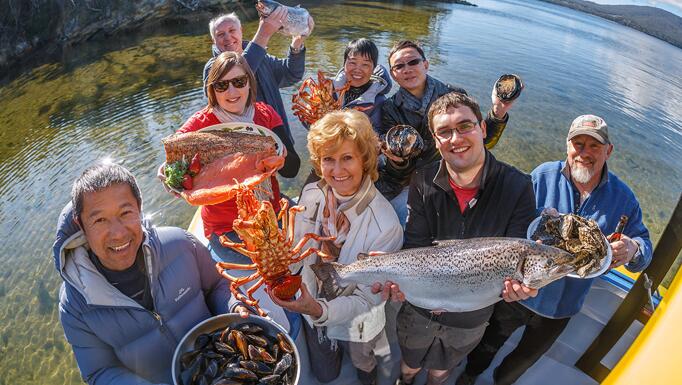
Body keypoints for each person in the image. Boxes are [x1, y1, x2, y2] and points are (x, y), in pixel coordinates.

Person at [458, 115, 653, 385]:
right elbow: (511, 220)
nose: (584, 153)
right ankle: (468, 376)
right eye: (578, 144)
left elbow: (644, 249)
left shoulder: (624, 198)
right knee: (487, 345)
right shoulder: (543, 175)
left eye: (594, 146)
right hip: (519, 292)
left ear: (609, 150)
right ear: (567, 146)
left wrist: (633, 249)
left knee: (523, 361)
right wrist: (535, 217)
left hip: (562, 307)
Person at [373, 92, 537, 385]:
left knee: (441, 369)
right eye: (444, 132)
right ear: (435, 140)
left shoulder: (519, 186)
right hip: (418, 307)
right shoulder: (423, 180)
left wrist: (519, 288)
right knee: (409, 362)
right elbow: (415, 245)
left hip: (471, 317)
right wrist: (394, 273)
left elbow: (516, 252)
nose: (455, 138)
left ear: (483, 128)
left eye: (465, 126)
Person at [53, 162, 240, 385]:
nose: (118, 233)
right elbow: (99, 371)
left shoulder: (180, 244)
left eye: (125, 212)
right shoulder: (75, 306)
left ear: (140, 208)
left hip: (227, 366)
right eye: (100, 220)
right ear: (81, 225)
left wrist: (235, 309)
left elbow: (218, 284)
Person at [269, 110, 403, 385]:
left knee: (363, 361)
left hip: (357, 321)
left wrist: (319, 309)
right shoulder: (310, 194)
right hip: (311, 308)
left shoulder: (386, 226)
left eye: (347, 158)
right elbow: (296, 253)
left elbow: (368, 301)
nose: (337, 171)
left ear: (365, 160)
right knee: (326, 374)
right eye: (328, 159)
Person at [377, 40, 519, 226]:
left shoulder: (454, 94)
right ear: (394, 75)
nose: (407, 69)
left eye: (413, 62)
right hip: (411, 183)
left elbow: (480, 142)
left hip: (453, 178)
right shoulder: (390, 108)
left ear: (425, 64)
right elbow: (399, 172)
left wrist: (498, 110)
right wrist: (398, 160)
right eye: (399, 66)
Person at [178, 51, 300, 263]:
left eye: (239, 81)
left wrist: (282, 157)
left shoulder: (265, 114)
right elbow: (174, 153)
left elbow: (292, 170)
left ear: (250, 83)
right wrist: (172, 178)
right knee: (260, 264)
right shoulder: (200, 124)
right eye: (222, 85)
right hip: (227, 227)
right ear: (212, 90)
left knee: (298, 254)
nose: (232, 91)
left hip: (270, 215)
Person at [203, 11, 314, 143]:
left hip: (281, 138)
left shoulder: (262, 57)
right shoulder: (212, 68)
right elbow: (237, 71)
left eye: (232, 30)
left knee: (292, 163)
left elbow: (291, 74)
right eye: (220, 34)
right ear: (213, 40)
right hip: (246, 148)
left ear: (241, 31)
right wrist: (263, 34)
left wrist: (297, 44)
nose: (227, 37)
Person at [332, 38, 392, 130]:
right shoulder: (329, 89)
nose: (357, 69)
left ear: (373, 69)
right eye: (352, 62)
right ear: (344, 64)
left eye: (365, 64)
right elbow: (310, 124)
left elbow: (377, 136)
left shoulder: (379, 103)